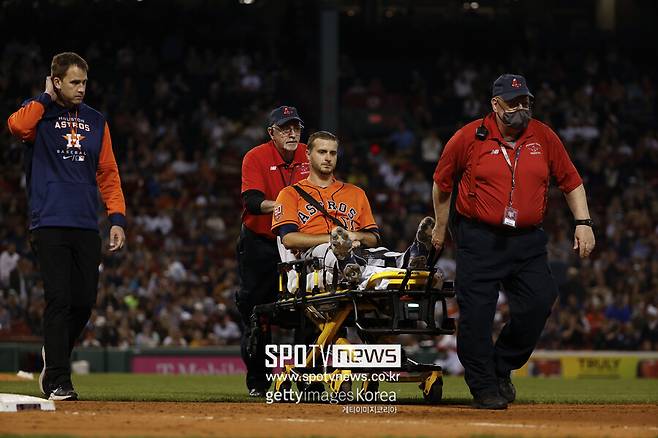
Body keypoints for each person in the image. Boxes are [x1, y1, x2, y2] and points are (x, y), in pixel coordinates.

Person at [431, 74, 595, 410]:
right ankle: (483, 386)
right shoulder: (468, 137)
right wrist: (440, 228)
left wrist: (584, 223)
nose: (521, 108)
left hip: (526, 240)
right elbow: (442, 184)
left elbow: (571, 182)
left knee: (540, 300)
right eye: (513, 102)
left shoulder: (544, 136)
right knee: (477, 315)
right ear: (495, 104)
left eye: (525, 101)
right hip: (479, 237)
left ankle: (501, 364)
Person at [7, 52, 126, 401]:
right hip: (49, 222)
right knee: (58, 298)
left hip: (87, 223)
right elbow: (16, 126)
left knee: (84, 300)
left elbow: (108, 172)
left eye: (84, 82)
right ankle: (58, 378)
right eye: (74, 82)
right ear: (56, 81)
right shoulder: (39, 115)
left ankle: (53, 352)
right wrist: (44, 98)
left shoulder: (96, 120)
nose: (81, 89)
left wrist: (116, 218)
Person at [272, 130, 435, 285]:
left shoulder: (356, 193)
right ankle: (346, 263)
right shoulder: (289, 194)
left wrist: (354, 236)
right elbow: (288, 239)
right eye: (322, 152)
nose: (328, 158)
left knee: (380, 254)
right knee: (328, 252)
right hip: (314, 256)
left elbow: (373, 238)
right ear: (308, 154)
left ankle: (411, 257)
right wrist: (334, 240)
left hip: (356, 252)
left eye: (332, 153)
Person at [237, 105, 310, 397]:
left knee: (311, 310)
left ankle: (308, 379)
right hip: (261, 241)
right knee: (256, 313)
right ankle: (258, 382)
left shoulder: (310, 153)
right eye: (285, 128)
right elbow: (253, 201)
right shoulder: (255, 156)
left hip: (302, 243)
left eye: (296, 127)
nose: (292, 133)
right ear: (272, 133)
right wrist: (285, 204)